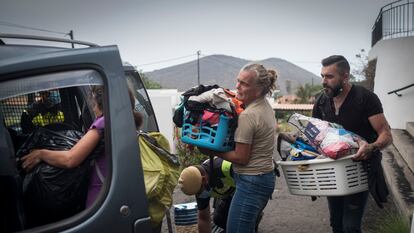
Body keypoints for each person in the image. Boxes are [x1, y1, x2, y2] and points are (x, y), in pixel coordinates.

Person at [312, 55, 393, 233]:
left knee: (351, 226)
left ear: (346, 76)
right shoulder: (322, 100)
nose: (324, 81)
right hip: (332, 170)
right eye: (323, 76)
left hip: (359, 169)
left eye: (330, 77)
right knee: (336, 223)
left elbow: (386, 134)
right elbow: (314, 133)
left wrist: (371, 147)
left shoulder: (365, 98)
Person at [199, 63, 278, 233]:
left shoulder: (249, 115)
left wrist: (212, 151)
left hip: (252, 182)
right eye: (238, 81)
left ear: (258, 89)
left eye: (244, 83)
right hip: (263, 178)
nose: (237, 86)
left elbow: (241, 157)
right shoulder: (265, 107)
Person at [21, 85, 106, 208]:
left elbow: (70, 159)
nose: (92, 108)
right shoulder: (109, 121)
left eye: (93, 103)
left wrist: (41, 154)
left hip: (98, 199)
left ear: (100, 104)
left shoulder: (100, 123)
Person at [178, 157, 235, 233]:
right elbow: (203, 218)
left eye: (200, 191)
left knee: (239, 223)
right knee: (219, 219)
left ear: (204, 179)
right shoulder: (198, 183)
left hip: (249, 187)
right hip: (230, 193)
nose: (200, 195)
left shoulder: (226, 166)